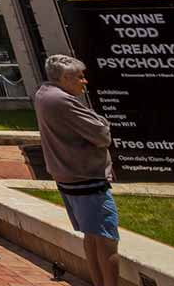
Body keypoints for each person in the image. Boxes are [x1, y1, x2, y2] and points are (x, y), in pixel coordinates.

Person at [35, 54, 118, 286]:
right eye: (80, 77)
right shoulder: (62, 101)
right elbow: (102, 135)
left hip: (68, 177)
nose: (84, 81)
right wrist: (102, 122)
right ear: (64, 78)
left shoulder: (43, 94)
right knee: (106, 239)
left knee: (92, 237)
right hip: (86, 179)